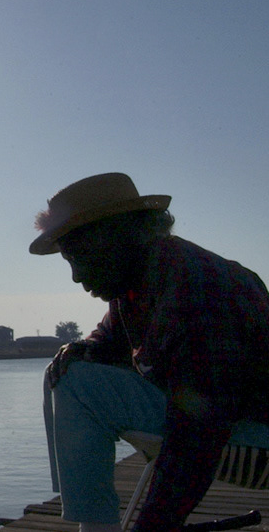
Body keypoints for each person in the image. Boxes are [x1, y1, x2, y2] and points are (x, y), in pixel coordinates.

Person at [31, 173, 269, 532]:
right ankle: (93, 524)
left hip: (254, 441)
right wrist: (78, 350)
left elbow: (198, 435)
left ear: (117, 237)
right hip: (222, 425)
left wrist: (154, 524)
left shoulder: (199, 288)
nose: (76, 277)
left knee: (78, 384)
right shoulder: (142, 280)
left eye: (79, 257)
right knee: (69, 370)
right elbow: (106, 341)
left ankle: (95, 526)